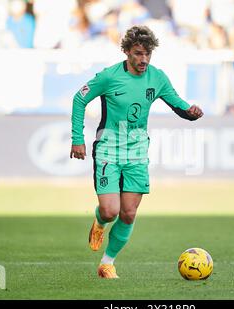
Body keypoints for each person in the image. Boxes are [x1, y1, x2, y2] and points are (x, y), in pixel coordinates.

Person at [70, 25, 203, 279]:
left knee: (128, 213)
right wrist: (78, 139)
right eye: (138, 53)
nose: (143, 60)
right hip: (108, 148)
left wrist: (192, 112)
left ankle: (107, 263)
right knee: (110, 211)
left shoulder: (157, 78)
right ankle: (99, 222)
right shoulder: (109, 77)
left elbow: (179, 105)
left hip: (137, 151)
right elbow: (79, 99)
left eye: (147, 54)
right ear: (127, 52)